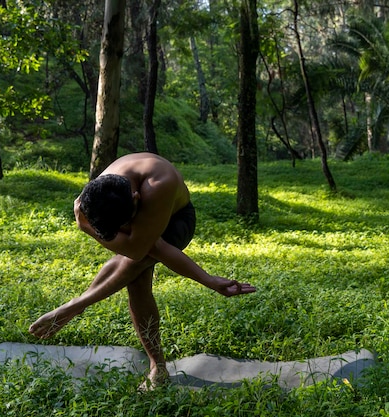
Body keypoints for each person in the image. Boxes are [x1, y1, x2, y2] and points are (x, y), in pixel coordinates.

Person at [28, 153, 256, 388]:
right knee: (136, 283)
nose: (127, 229)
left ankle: (74, 307)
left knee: (135, 265)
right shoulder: (93, 194)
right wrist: (88, 226)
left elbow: (143, 249)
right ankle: (157, 365)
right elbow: (133, 246)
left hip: (176, 222)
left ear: (136, 198)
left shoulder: (159, 185)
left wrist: (208, 280)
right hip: (134, 224)